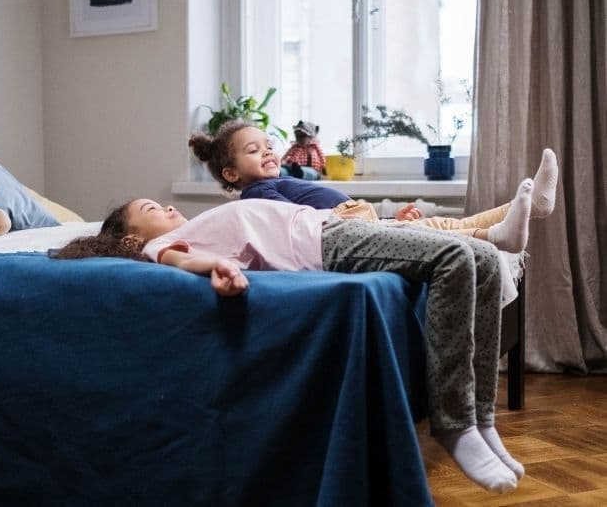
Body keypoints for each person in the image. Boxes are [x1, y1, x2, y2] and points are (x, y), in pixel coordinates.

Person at [54, 189, 535, 493]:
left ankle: (482, 416)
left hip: (331, 225)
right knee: (453, 256)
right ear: (132, 242)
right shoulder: (164, 246)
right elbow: (177, 262)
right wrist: (216, 267)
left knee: (486, 259)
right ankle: (454, 423)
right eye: (152, 210)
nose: (168, 206)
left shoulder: (197, 224)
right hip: (320, 246)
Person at [188, 120, 558, 253]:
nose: (268, 151)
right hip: (340, 226)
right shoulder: (257, 196)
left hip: (353, 217)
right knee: (436, 229)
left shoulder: (281, 181)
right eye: (254, 151)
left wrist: (389, 216)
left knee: (440, 225)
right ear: (231, 173)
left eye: (268, 144)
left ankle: (527, 210)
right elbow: (288, 223)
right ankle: (496, 235)